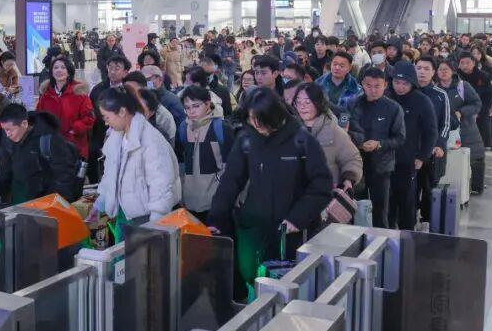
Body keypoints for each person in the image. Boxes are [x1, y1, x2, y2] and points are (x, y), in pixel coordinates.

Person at [209, 88, 332, 301]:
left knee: (288, 288)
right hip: (254, 227)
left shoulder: (301, 141)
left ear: (275, 115)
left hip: (289, 232)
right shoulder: (247, 139)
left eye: (260, 120)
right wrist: (216, 218)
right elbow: (231, 181)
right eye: (251, 119)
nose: (256, 125)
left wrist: (297, 218)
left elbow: (322, 185)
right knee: (253, 283)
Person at [86, 86, 181, 239]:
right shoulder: (116, 138)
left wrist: (155, 222)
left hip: (145, 218)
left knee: (140, 255)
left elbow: (161, 184)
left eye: (107, 117)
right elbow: (110, 174)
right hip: (124, 214)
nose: (106, 123)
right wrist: (100, 204)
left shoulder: (151, 140)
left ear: (122, 112)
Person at [0, 105, 82, 207]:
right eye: (4, 130)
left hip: (46, 204)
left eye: (9, 129)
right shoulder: (10, 143)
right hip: (20, 202)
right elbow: (4, 173)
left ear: (24, 124)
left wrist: (53, 205)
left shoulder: (49, 140)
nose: (7, 134)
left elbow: (64, 177)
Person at [348, 67, 406, 228]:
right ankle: (357, 240)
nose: (372, 90)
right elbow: (344, 129)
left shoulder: (393, 108)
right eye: (368, 85)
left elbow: (400, 138)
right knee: (356, 208)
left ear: (385, 85)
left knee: (380, 210)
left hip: (382, 165)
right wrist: (357, 142)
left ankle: (382, 240)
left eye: (377, 86)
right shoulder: (353, 104)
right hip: (357, 164)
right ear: (362, 84)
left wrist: (379, 144)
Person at [387, 61, 438, 230]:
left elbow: (431, 132)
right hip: (384, 159)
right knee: (386, 203)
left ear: (412, 83)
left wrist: (422, 156)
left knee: (407, 202)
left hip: (408, 160)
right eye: (397, 82)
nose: (400, 87)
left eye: (405, 83)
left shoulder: (422, 101)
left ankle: (407, 236)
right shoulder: (385, 97)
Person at [177, 85, 236, 222]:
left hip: (217, 202)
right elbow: (181, 164)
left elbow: (233, 167)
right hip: (190, 201)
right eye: (187, 107)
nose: (191, 111)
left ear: (208, 104)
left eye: (196, 106)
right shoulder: (183, 128)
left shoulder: (221, 128)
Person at [291, 82, 362, 192]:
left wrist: (348, 179)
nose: (302, 106)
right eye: (298, 102)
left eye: (307, 102)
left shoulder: (334, 131)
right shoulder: (291, 131)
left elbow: (352, 159)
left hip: (326, 194)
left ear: (318, 103)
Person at [436, 59, 486, 194]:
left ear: (453, 71)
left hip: (466, 128)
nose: (443, 72)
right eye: (440, 69)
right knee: (451, 158)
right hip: (445, 129)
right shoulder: (435, 88)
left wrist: (461, 112)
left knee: (474, 156)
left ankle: (476, 186)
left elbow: (476, 103)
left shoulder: (463, 86)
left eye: (446, 69)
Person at [35, 56, 96, 163]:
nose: (59, 70)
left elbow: (89, 118)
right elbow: (39, 116)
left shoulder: (79, 93)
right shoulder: (46, 94)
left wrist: (74, 130)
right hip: (51, 146)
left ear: (69, 71)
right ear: (51, 72)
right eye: (55, 67)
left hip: (74, 146)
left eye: (63, 67)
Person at [413, 56, 450, 223]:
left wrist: (439, 144)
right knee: (410, 189)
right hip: (411, 150)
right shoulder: (408, 91)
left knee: (429, 188)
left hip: (432, 151)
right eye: (419, 68)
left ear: (433, 72)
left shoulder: (440, 94)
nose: (422, 72)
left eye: (426, 69)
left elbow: (445, 123)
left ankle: (427, 222)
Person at [88, 54, 130, 181]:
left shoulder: (130, 89)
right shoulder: (98, 89)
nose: (112, 71)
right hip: (100, 133)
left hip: (125, 134)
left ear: (125, 72)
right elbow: (91, 112)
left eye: (117, 68)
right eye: (110, 67)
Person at [315, 52, 362, 123]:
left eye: (341, 66)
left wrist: (342, 126)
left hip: (345, 125)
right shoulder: (318, 83)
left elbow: (353, 113)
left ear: (349, 68)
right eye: (334, 64)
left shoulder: (356, 89)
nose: (337, 68)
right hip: (320, 123)